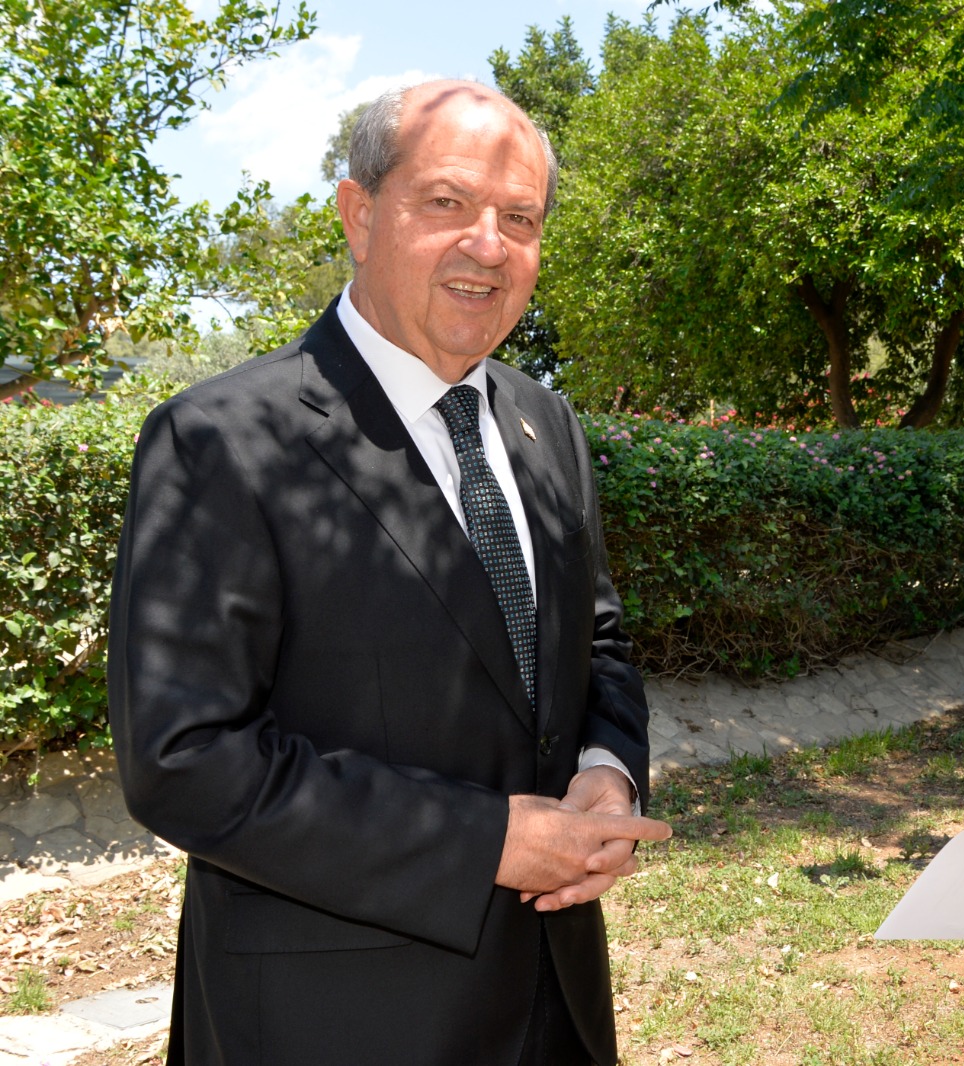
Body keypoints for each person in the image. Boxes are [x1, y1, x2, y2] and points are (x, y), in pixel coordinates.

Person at [108, 80, 672, 1066]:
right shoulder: (222, 441)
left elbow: (597, 641)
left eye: (520, 218)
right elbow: (184, 760)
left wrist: (605, 772)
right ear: (360, 215)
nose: (487, 245)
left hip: (558, 1006)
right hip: (334, 1025)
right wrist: (483, 842)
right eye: (446, 202)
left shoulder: (545, 423)